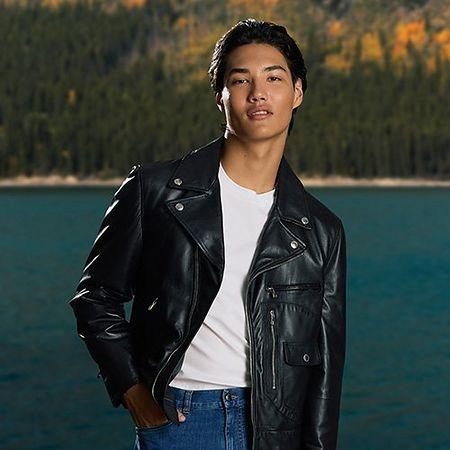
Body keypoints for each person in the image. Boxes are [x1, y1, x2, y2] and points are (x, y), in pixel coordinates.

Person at [69, 18, 347, 450]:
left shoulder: (321, 230)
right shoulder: (154, 191)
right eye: (241, 80)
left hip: (277, 430)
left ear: (296, 94)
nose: (258, 92)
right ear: (220, 96)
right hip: (181, 420)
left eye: (274, 77)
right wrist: (136, 395)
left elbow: (325, 369)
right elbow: (95, 299)